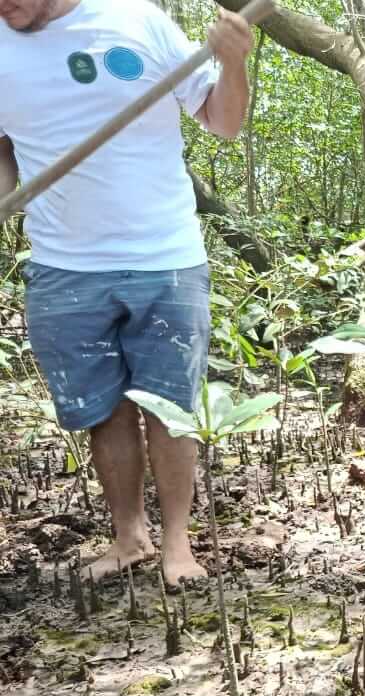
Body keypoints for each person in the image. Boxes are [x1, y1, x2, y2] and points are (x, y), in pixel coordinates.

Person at [0, 0, 252, 586]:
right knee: (103, 411)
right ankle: (129, 536)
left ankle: (178, 545)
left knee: (170, 409)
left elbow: (223, 120)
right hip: (63, 266)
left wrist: (234, 63)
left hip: (165, 258)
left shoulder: (137, 22)